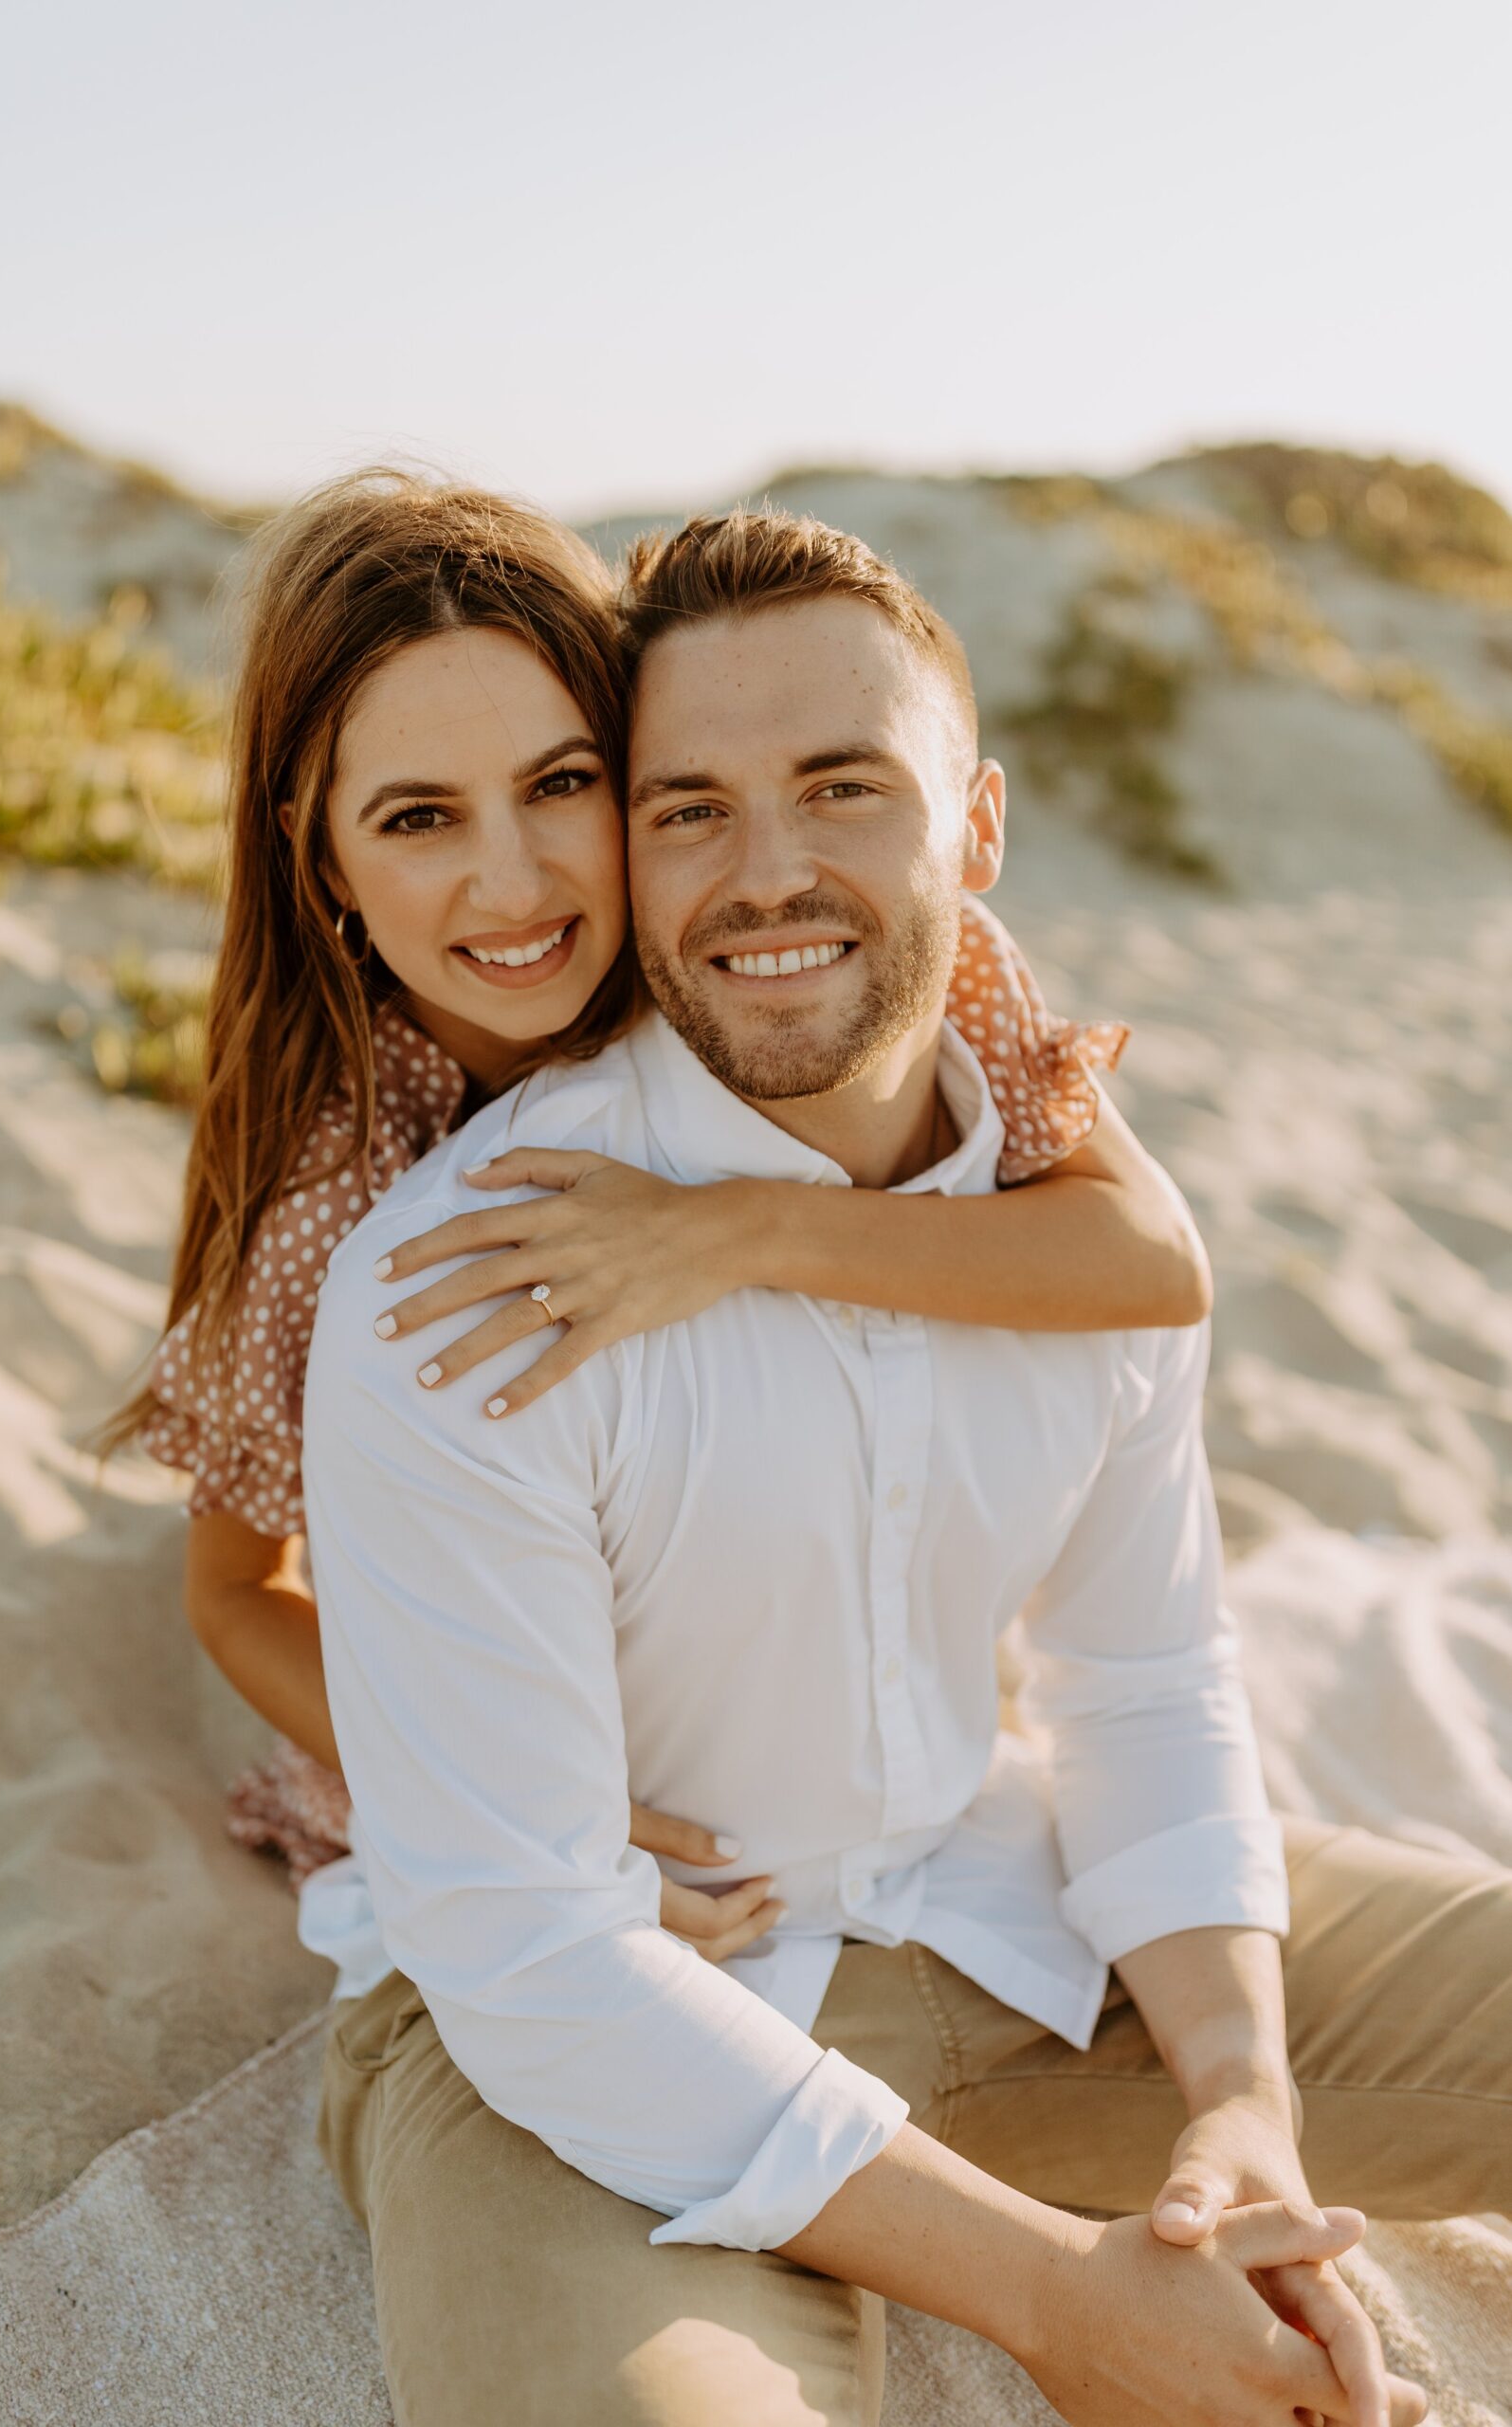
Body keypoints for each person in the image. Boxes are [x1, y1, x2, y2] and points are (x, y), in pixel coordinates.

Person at [302, 508, 1510, 2427]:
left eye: (841, 787)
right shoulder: (455, 1288)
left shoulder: (1087, 1232)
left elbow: (1137, 1682)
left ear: (978, 828)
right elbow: (524, 1940)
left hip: (998, 1901)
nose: (763, 869)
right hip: (584, 2031)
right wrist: (1059, 2297)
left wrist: (1240, 2101)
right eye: (688, 804)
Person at [120, 469, 1209, 1972]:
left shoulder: (784, 951)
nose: (513, 884)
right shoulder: (345, 1183)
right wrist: (536, 1802)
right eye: (419, 818)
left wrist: (743, 1228)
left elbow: (1151, 1261)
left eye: (562, 785)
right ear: (327, 865)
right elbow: (239, 1591)